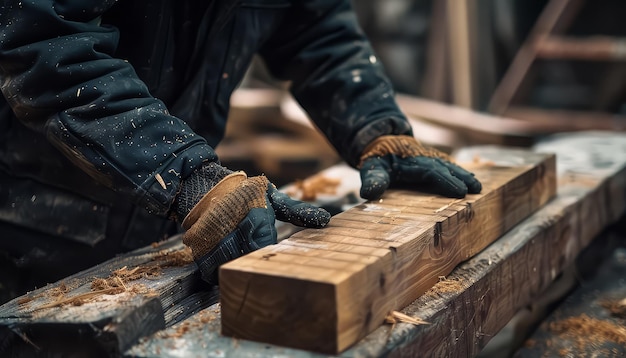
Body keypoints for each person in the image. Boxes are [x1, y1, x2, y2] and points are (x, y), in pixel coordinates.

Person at [0, 0, 481, 303]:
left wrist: (375, 126)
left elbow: (319, 29)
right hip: (39, 220)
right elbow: (44, 42)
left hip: (165, 223)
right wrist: (188, 179)